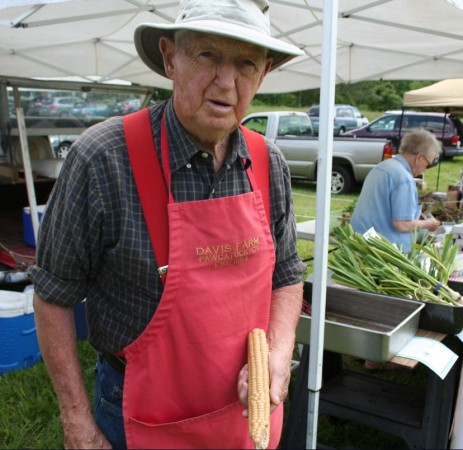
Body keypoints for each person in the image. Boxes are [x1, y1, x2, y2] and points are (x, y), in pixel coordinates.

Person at [29, 0, 306, 448]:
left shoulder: (268, 161)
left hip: (242, 412)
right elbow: (53, 296)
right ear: (170, 57)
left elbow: (288, 274)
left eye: (245, 64)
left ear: (265, 73)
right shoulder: (103, 158)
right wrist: (76, 419)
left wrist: (277, 350)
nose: (226, 82)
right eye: (207, 55)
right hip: (138, 411)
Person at [350, 128, 441, 252]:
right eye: (428, 164)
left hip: (362, 243)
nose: (425, 169)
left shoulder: (382, 166)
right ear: (419, 157)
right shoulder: (404, 178)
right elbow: (402, 224)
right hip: (382, 253)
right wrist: (428, 224)